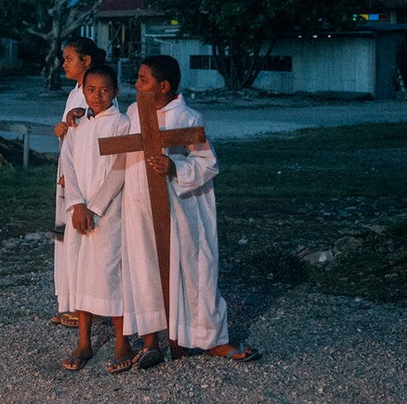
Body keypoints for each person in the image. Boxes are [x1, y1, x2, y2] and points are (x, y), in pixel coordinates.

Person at [120, 55, 258, 366]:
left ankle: (207, 338)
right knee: (145, 270)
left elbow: (207, 164)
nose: (136, 85)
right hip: (139, 209)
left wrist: (174, 166)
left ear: (164, 86)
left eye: (143, 80)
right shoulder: (133, 113)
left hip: (180, 212)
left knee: (193, 272)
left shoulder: (188, 118)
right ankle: (151, 339)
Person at [56, 65, 134, 373]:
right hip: (79, 212)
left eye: (104, 90)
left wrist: (95, 207)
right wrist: (77, 204)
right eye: (91, 90)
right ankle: (84, 342)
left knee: (113, 274)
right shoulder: (78, 126)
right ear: (83, 91)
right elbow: (68, 164)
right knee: (80, 272)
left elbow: (121, 167)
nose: (97, 96)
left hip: (109, 211)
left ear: (116, 91)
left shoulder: (123, 124)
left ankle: (122, 342)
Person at [51, 37, 111, 328]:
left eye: (69, 58)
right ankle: (72, 300)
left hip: (87, 177)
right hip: (71, 173)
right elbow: (74, 135)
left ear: (86, 61)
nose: (64, 64)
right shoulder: (76, 93)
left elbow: (96, 134)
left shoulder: (96, 93)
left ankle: (85, 303)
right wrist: (63, 131)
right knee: (68, 239)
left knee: (85, 239)